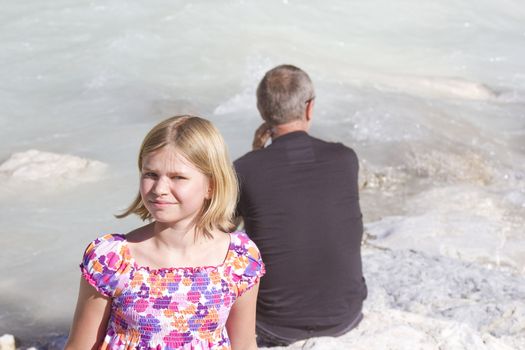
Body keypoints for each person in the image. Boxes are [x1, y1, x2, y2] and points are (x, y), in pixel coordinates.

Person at [66, 115, 265, 349]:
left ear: (211, 185)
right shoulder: (112, 259)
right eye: (150, 174)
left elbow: (244, 346)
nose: (160, 189)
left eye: (177, 177)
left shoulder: (238, 260)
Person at [234, 65, 367, 346]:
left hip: (272, 325)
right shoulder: (345, 159)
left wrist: (256, 156)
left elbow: (222, 230)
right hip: (345, 317)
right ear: (309, 108)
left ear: (262, 112)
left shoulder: (244, 169)